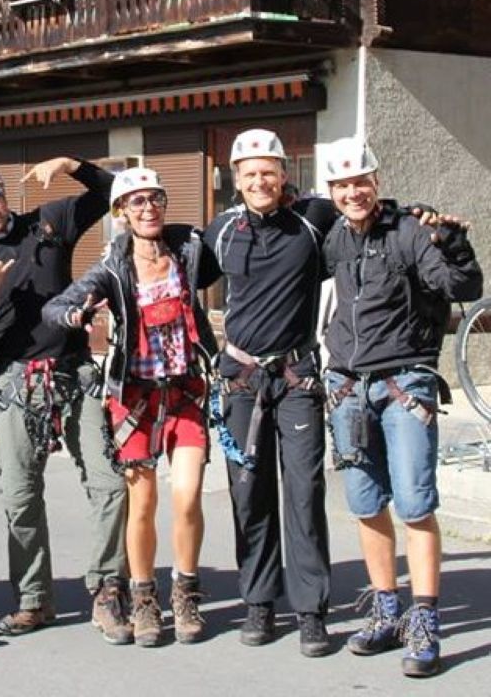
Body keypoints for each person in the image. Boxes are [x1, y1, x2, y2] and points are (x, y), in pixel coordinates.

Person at [0, 156, 130, 642]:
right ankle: (33, 600)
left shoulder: (48, 224)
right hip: (15, 387)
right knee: (20, 496)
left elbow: (114, 192)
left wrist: (72, 165)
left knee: (110, 484)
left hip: (74, 375)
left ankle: (108, 590)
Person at [321, 137, 482, 678]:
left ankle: (424, 621)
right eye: (342, 185)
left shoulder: (410, 231)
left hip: (403, 386)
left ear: (377, 182)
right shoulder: (335, 238)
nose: (353, 193)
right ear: (332, 191)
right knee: (366, 505)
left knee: (414, 505)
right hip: (348, 387)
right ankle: (387, 611)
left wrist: (454, 246)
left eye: (360, 182)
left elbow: (461, 285)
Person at [45, 168, 220, 646]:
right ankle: (144, 599)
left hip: (184, 393)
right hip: (136, 400)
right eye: (136, 201)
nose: (148, 208)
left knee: (187, 495)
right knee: (141, 503)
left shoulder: (188, 250)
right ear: (120, 212)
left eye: (155, 198)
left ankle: (185, 593)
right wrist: (75, 314)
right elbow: (55, 306)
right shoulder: (112, 267)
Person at [202, 129, 335, 657]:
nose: (260, 181)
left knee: (304, 492)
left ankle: (311, 611)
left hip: (298, 378)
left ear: (284, 175)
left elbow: (364, 208)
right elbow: (177, 272)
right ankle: (259, 601)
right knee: (249, 493)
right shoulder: (222, 230)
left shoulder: (313, 220)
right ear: (236, 179)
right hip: (242, 380)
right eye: (250, 173)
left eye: (269, 172)